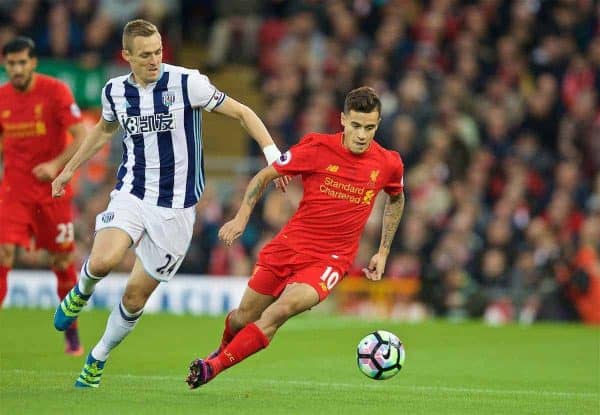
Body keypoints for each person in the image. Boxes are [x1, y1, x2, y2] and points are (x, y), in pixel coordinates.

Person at [50, 19, 284, 388]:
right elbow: (105, 129)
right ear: (127, 56)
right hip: (133, 192)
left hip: (176, 210)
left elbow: (243, 113)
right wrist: (68, 170)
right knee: (104, 260)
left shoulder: (187, 83)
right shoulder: (114, 92)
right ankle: (81, 292)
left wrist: (274, 155)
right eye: (145, 55)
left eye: (158, 52)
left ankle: (97, 358)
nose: (154, 60)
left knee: (134, 296)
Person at [185, 86, 406, 389]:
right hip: (289, 246)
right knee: (243, 317)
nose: (361, 135)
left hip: (330, 260)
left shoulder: (388, 162)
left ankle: (214, 367)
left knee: (281, 310)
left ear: (378, 125)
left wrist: (382, 250)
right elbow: (265, 176)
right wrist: (241, 217)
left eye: (369, 128)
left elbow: (396, 198)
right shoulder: (316, 147)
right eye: (355, 125)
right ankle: (221, 351)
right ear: (342, 120)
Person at [0, 37, 87, 356]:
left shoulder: (55, 92)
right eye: (11, 63)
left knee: (62, 263)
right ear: (5, 64)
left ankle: (72, 335)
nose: (17, 69)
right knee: (3, 253)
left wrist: (54, 164)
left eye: (23, 62)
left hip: (52, 193)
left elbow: (82, 136)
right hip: (14, 191)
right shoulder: (2, 98)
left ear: (33, 62)